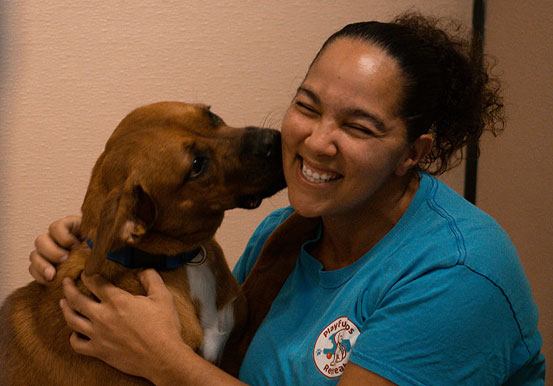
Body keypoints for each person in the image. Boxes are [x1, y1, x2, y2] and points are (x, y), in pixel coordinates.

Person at [28, 12, 545, 386]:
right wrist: (95, 241)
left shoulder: (459, 274)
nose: (316, 142)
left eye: (358, 127)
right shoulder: (285, 232)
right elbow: (221, 347)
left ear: (413, 153)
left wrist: (167, 364)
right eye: (307, 105)